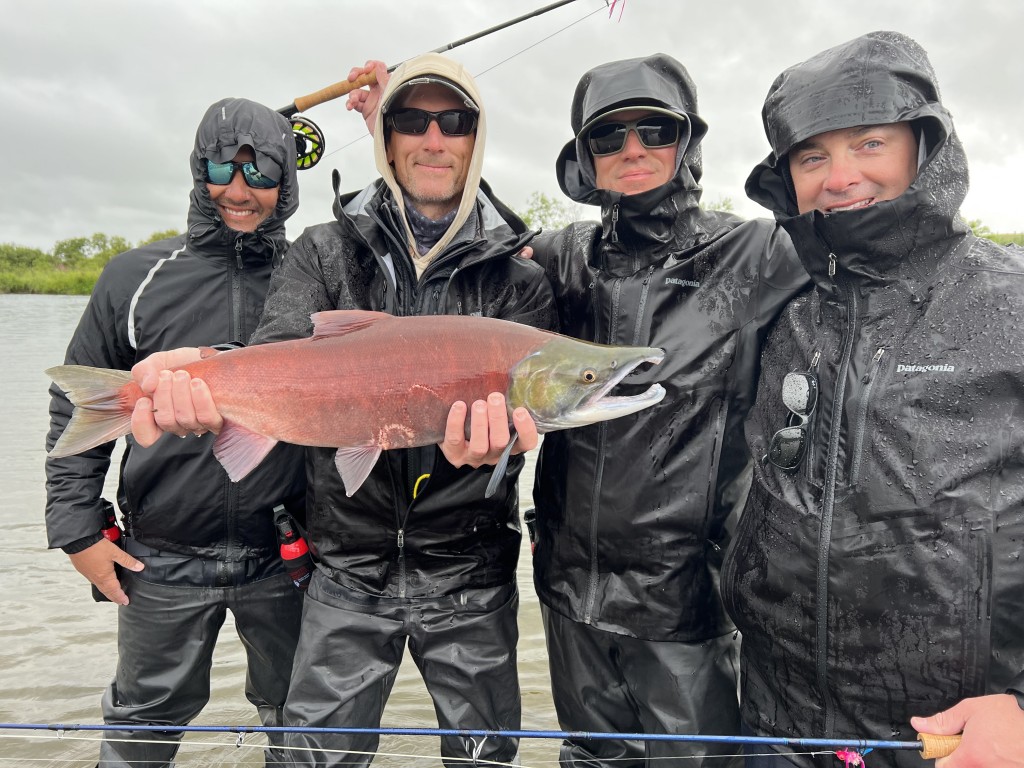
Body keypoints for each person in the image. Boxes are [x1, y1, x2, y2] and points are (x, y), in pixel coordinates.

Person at [130, 53, 556, 768]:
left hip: (472, 572)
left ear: (475, 139)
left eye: (454, 122)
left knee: (485, 758)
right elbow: (276, 351)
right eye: (412, 120)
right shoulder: (324, 250)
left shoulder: (521, 281)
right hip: (343, 568)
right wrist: (202, 377)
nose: (433, 138)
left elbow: (530, 426)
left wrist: (507, 449)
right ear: (387, 138)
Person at [720, 30, 1024, 767]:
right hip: (772, 727)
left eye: (869, 144)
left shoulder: (1009, 302)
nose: (841, 175)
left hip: (957, 743)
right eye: (812, 156)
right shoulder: (776, 307)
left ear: (923, 146)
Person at [524, 54, 807, 768]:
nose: (633, 151)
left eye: (654, 131)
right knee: (589, 759)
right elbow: (453, 259)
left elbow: (877, 260)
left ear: (687, 143)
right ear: (584, 158)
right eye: (608, 138)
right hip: (566, 595)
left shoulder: (759, 252)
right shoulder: (559, 259)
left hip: (687, 605)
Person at [44, 98, 308, 767]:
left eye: (261, 171)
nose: (238, 189)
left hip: (289, 557)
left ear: (289, 178)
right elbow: (70, 409)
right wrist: (76, 528)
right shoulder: (134, 277)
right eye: (222, 166)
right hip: (157, 557)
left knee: (301, 727)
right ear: (199, 169)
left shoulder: (315, 277)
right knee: (140, 731)